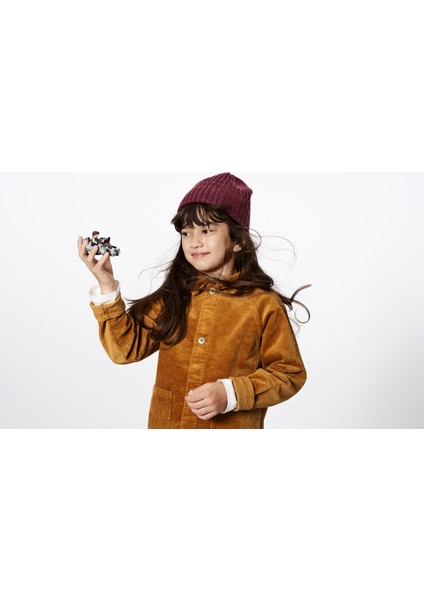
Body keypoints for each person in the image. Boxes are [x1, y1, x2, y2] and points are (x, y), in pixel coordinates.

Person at [77, 173, 308, 429]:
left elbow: (289, 373)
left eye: (207, 230)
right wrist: (107, 285)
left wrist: (231, 393)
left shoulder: (262, 304)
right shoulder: (172, 297)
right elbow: (124, 350)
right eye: (186, 233)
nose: (194, 242)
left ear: (238, 241)